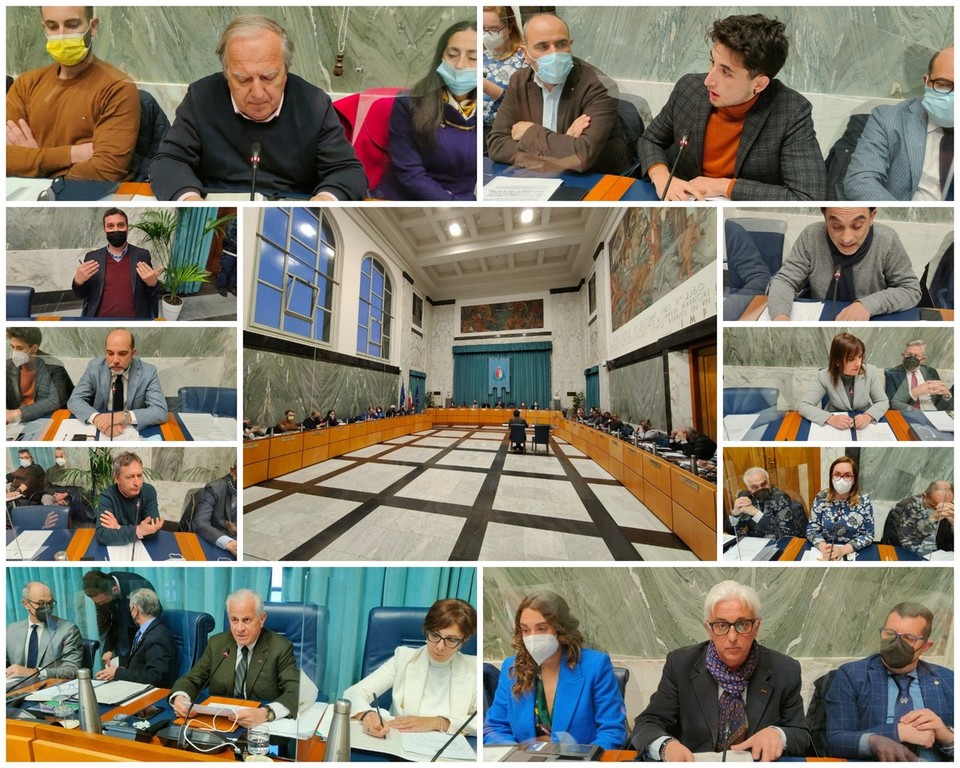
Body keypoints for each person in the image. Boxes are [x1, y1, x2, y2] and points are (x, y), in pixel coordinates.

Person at [149, 14, 367, 201]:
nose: (258, 93)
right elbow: (169, 161)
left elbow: (347, 171)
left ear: (285, 71)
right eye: (243, 79)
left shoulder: (314, 103)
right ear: (226, 74)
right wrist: (190, 201)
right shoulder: (201, 97)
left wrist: (325, 200)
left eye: (269, 77)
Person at [639, 14, 825, 201]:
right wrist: (661, 175)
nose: (708, 81)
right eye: (712, 62)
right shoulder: (689, 88)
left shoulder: (791, 112)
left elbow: (807, 197)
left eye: (725, 72)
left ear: (759, 84)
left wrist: (724, 186)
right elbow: (650, 140)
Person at [630, 580, 809, 760]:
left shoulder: (785, 670)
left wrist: (778, 735)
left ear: (756, 627)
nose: (732, 637)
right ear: (709, 629)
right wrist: (666, 747)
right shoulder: (680, 665)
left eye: (742, 624)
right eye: (721, 625)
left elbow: (802, 735)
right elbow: (647, 723)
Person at [6, 6, 139, 180]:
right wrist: (73, 154)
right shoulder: (25, 84)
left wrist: (31, 162)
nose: (61, 35)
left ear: (93, 27)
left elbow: (105, 171)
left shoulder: (117, 88)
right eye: (52, 26)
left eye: (72, 25)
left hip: (83, 193)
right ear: (44, 27)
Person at [487, 14, 630, 174]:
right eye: (543, 46)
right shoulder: (518, 81)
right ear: (525, 53)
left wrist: (530, 132)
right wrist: (562, 145)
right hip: (540, 178)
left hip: (595, 178)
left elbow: (582, 155)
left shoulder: (599, 86)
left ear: (570, 45)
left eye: (561, 44)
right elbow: (497, 144)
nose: (554, 53)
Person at [484, 591, 626, 750]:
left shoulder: (595, 665)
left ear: (561, 629)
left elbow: (612, 731)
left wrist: (576, 757)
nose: (532, 637)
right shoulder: (512, 668)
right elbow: (494, 727)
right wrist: (518, 755)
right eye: (525, 630)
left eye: (542, 628)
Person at [825, 602, 954, 760]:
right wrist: (898, 732)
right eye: (890, 634)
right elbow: (836, 741)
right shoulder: (852, 675)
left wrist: (948, 737)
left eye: (908, 638)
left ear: (925, 646)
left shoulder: (949, 680)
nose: (896, 643)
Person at [374, 21, 477, 201]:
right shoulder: (410, 102)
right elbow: (409, 172)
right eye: (452, 55)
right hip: (407, 199)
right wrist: (452, 204)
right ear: (440, 58)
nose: (460, 65)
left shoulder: (482, 109)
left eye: (473, 58)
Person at [345, 599, 477, 737]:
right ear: (426, 630)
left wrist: (437, 722)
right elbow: (354, 693)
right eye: (434, 635)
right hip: (401, 742)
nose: (440, 646)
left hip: (449, 746)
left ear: (464, 639)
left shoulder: (475, 669)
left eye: (451, 639)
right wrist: (367, 714)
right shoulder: (403, 659)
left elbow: (482, 721)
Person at [170, 589, 299, 727]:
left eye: (246, 620)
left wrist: (265, 713)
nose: (239, 628)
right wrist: (180, 698)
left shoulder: (280, 647)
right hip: (220, 722)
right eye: (234, 620)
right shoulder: (217, 644)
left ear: (262, 619)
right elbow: (192, 679)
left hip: (260, 726)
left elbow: (296, 692)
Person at [767, 208, 921, 321]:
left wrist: (867, 305)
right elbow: (784, 280)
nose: (846, 238)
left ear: (872, 216)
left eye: (857, 226)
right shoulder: (811, 236)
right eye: (836, 226)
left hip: (872, 319)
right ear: (825, 218)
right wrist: (780, 317)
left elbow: (910, 289)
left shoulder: (887, 240)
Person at [844, 47, 955, 201]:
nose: (954, 96)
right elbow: (861, 180)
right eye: (943, 84)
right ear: (926, 82)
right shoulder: (888, 120)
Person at [67, 329, 168, 436]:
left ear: (133, 353)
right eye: (110, 353)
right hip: (101, 428)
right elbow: (75, 399)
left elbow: (160, 411)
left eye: (122, 354)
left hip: (130, 429)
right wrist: (98, 419)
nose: (115, 360)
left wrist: (123, 416)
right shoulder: (94, 367)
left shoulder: (148, 372)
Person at [72, 208, 161, 319]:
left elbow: (153, 293)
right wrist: (78, 282)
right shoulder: (92, 257)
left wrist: (153, 284)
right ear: (104, 230)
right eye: (110, 226)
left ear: (127, 228)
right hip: (99, 320)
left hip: (135, 319)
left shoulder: (142, 255)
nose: (116, 230)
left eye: (120, 225)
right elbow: (82, 294)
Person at [798, 332, 888, 430]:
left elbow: (883, 401)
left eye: (860, 356)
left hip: (864, 424)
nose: (858, 363)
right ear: (837, 361)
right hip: (835, 424)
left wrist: (868, 416)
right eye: (851, 359)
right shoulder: (824, 376)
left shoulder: (870, 371)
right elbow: (804, 406)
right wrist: (830, 418)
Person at [94, 588, 176, 688]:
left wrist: (118, 673)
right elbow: (140, 666)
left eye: (130, 608)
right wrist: (120, 671)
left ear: (135, 610)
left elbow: (156, 677)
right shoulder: (145, 630)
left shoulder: (156, 637)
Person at [6, 581, 83, 680]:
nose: (47, 608)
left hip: (49, 685)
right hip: (16, 685)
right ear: (26, 604)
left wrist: (35, 672)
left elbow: (72, 669)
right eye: (41, 603)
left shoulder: (68, 630)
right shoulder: (11, 630)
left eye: (50, 603)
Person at [806, 455, 874, 560]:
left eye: (847, 475)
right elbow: (811, 529)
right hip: (825, 550)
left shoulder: (864, 499)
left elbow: (868, 535)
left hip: (852, 552)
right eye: (837, 474)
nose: (841, 479)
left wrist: (843, 550)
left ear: (854, 479)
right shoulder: (821, 497)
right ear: (831, 477)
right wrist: (825, 549)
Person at [82, 570, 158, 662]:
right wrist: (107, 649)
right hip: (123, 639)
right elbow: (112, 622)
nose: (101, 605)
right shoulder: (101, 589)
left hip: (146, 638)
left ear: (114, 590)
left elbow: (151, 621)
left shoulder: (138, 586)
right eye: (98, 603)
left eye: (103, 602)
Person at [94, 451, 163, 546]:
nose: (137, 483)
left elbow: (153, 531)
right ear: (116, 478)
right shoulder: (107, 496)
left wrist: (118, 527)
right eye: (130, 477)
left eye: (139, 476)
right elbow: (102, 535)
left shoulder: (148, 491)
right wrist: (139, 530)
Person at [729, 467, 807, 539]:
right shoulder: (746, 498)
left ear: (769, 483)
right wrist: (735, 514)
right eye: (755, 487)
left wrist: (756, 514)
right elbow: (732, 532)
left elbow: (785, 532)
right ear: (749, 489)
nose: (760, 488)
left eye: (763, 484)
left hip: (776, 541)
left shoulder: (780, 497)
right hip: (754, 542)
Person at [6, 327, 62, 425]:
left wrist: (18, 413)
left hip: (43, 419)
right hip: (14, 423)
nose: (14, 352)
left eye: (19, 348)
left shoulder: (54, 366)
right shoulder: (7, 366)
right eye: (12, 347)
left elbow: (55, 400)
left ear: (34, 348)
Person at [482, 6, 525, 130]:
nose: (486, 35)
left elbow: (522, 108)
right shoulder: (480, 56)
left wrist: (485, 86)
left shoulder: (524, 58)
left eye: (493, 29)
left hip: (502, 130)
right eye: (482, 29)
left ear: (509, 28)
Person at [886, 480, 954, 557]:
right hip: (909, 555)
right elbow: (904, 542)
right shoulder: (906, 507)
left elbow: (951, 544)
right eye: (933, 505)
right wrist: (931, 520)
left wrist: (954, 525)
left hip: (940, 555)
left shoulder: (949, 509)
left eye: (945, 505)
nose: (939, 509)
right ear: (924, 496)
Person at [885, 340, 954, 412]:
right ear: (903, 356)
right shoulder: (892, 374)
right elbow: (892, 403)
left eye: (916, 356)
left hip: (932, 412)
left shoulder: (931, 372)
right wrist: (914, 392)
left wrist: (946, 395)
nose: (912, 358)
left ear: (923, 359)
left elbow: (940, 402)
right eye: (909, 354)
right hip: (909, 413)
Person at [190, 465, 238, 558]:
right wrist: (229, 543)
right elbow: (200, 522)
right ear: (232, 471)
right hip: (217, 540)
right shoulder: (214, 488)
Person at [217, 220, 238, 297]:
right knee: (225, 270)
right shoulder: (235, 221)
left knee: (235, 272)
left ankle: (232, 286)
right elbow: (230, 236)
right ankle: (222, 286)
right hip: (230, 251)